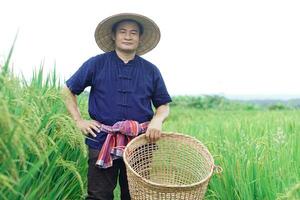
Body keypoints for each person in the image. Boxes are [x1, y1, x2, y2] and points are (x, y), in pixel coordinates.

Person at [62, 13, 172, 200]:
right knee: (99, 196)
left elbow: (163, 105)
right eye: (122, 31)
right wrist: (79, 121)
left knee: (137, 195)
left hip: (141, 142)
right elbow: (67, 90)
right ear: (114, 35)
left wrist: (157, 121)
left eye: (133, 32)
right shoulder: (96, 63)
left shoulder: (151, 70)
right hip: (102, 139)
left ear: (139, 38)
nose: (128, 36)